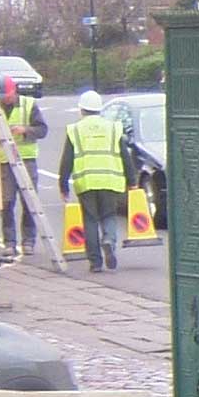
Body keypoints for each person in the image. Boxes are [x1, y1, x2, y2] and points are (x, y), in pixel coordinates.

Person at [59, 90, 137, 274]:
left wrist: (63, 185)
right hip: (110, 180)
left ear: (82, 109)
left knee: (90, 220)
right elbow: (125, 156)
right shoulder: (112, 128)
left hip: (86, 182)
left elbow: (67, 160)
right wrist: (132, 181)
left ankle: (95, 262)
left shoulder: (75, 129)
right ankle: (109, 240)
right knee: (109, 215)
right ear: (99, 109)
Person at [0, 76, 47, 255]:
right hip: (4, 161)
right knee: (7, 202)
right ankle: (9, 242)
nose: (4, 98)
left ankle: (28, 241)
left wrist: (25, 130)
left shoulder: (28, 104)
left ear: (14, 91)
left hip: (26, 159)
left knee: (29, 202)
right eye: (2, 95)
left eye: (7, 95)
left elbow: (42, 130)